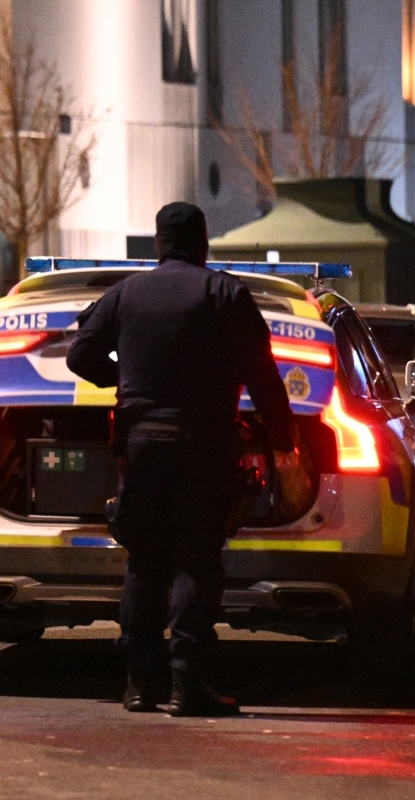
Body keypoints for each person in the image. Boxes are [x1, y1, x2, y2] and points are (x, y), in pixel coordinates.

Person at [67, 202, 298, 716]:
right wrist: (283, 440)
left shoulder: (126, 294)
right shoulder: (225, 293)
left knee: (144, 562)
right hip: (204, 442)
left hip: (141, 444)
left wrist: (123, 383)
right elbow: (263, 376)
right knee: (196, 558)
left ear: (157, 244)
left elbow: (79, 355)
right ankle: (186, 682)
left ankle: (138, 683)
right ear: (203, 241)